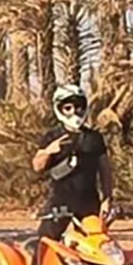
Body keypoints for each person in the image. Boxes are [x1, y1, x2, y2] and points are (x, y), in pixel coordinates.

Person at [31, 82, 112, 232]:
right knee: (45, 244)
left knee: (93, 245)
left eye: (78, 107)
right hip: (60, 201)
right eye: (68, 108)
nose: (74, 111)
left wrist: (107, 199)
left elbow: (105, 170)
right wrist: (49, 151)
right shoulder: (52, 136)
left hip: (89, 202)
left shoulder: (94, 138)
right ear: (60, 109)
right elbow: (37, 166)